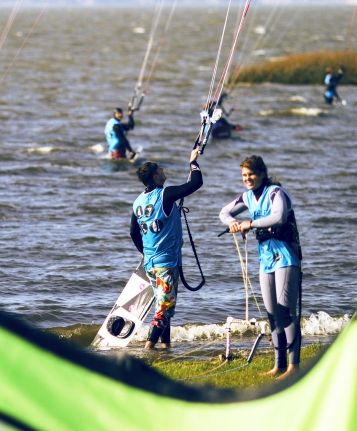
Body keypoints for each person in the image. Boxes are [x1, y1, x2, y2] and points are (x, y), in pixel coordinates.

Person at [219, 156, 303, 379]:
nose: (248, 179)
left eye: (252, 174)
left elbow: (278, 217)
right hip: (265, 260)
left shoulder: (276, 193)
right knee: (272, 315)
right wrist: (233, 223)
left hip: (286, 257)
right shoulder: (247, 197)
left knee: (286, 312)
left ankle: (294, 367)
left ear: (262, 174)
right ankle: (279, 366)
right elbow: (223, 213)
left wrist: (250, 223)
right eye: (244, 176)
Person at [130, 149, 203, 349]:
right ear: (155, 176)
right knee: (165, 307)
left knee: (163, 304)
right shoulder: (165, 194)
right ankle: (149, 348)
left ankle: (165, 347)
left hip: (150, 264)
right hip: (166, 264)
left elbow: (133, 233)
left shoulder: (137, 202)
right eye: (160, 169)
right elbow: (196, 183)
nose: (163, 170)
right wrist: (193, 162)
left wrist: (143, 252)